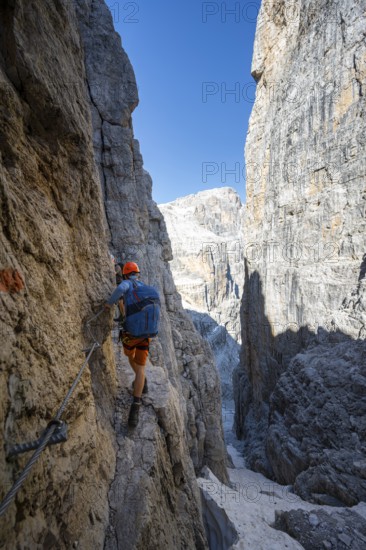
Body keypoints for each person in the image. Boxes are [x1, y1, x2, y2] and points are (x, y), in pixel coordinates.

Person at [105, 261, 151, 428]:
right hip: (146, 332)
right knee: (141, 367)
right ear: (137, 273)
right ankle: (137, 402)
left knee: (131, 358)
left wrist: (109, 303)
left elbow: (119, 290)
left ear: (125, 274)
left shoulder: (126, 283)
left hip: (131, 332)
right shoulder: (143, 287)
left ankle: (139, 389)